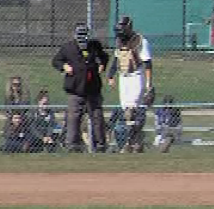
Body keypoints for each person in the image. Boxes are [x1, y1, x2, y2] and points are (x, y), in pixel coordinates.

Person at [51, 23, 110, 153]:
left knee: (97, 116)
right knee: (74, 117)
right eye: (80, 35)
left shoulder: (95, 46)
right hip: (75, 89)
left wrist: (102, 65)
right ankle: (73, 145)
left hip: (93, 89)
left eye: (85, 35)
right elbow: (56, 61)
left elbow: (104, 57)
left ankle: (100, 144)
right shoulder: (68, 48)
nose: (82, 39)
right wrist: (64, 67)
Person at [106, 16, 153, 153]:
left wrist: (149, 85)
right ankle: (136, 142)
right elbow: (116, 59)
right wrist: (110, 75)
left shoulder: (139, 41)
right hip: (123, 77)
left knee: (131, 111)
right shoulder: (119, 41)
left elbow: (148, 64)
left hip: (136, 76)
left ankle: (130, 142)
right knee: (126, 110)